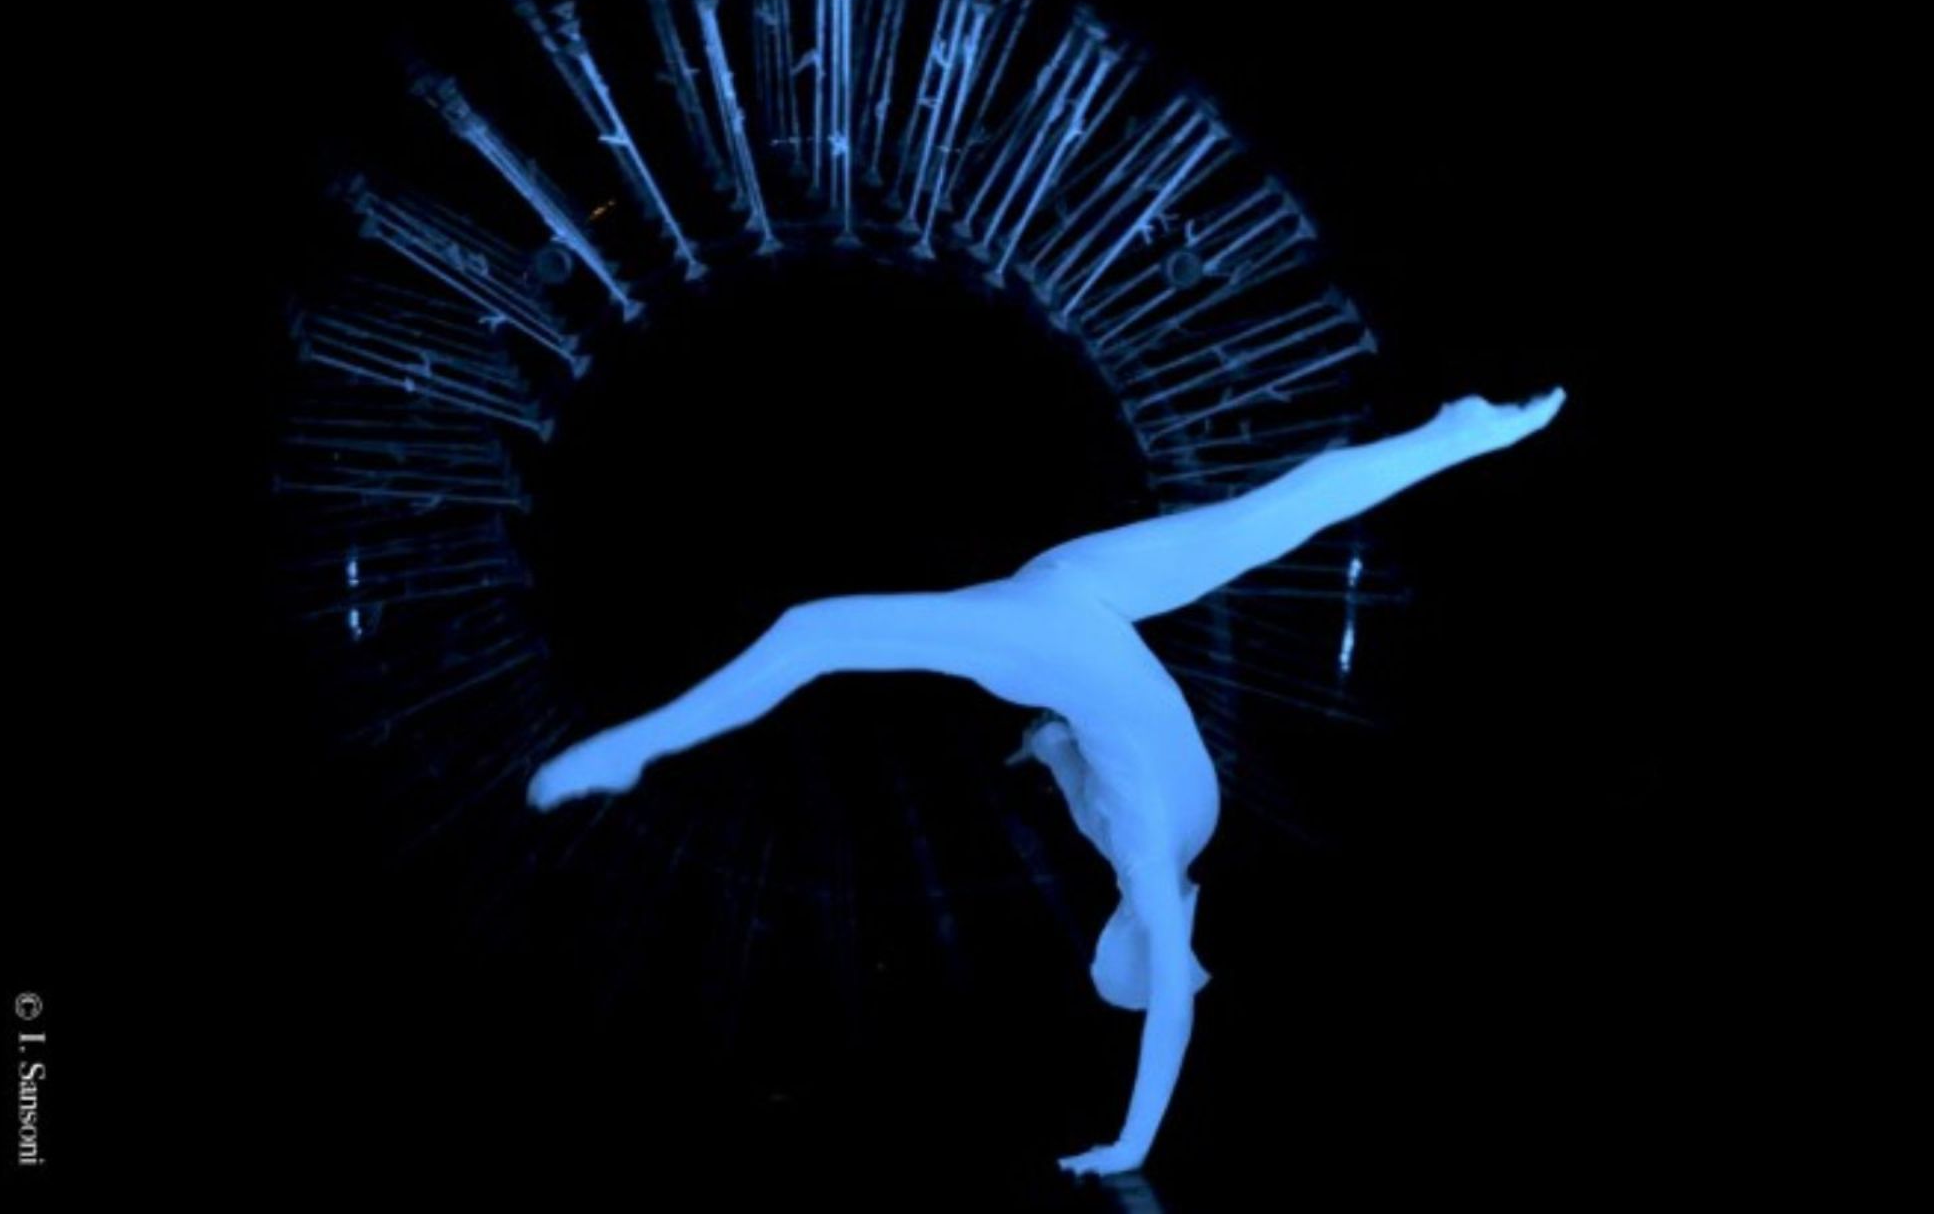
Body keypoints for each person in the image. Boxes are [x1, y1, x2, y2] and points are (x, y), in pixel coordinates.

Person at [527, 387, 1567, 1176]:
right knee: (812, 632)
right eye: (1119, 956)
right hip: (1064, 623)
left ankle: (1458, 433)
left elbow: (1071, 748)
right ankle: (632, 748)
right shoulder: (1147, 855)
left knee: (1265, 518)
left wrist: (1043, 746)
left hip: (1072, 599)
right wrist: (1131, 1144)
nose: (1104, 945)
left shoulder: (1130, 837)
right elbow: (1171, 1017)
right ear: (1142, 937)